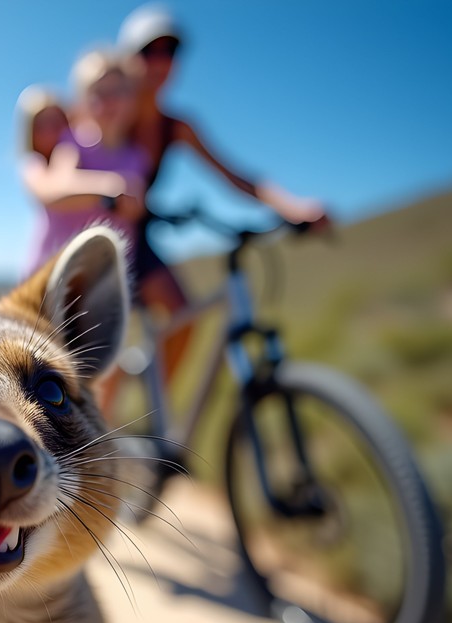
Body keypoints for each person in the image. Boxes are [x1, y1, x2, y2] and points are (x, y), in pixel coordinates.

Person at [113, 4, 330, 389]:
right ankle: (107, 412)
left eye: (171, 52)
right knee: (99, 343)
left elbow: (238, 177)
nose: (160, 62)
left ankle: (154, 410)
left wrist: (293, 207)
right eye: (150, 51)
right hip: (101, 235)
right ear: (128, 59)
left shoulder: (176, 126)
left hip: (139, 238)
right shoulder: (109, 114)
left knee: (184, 316)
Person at [16, 67, 146, 278]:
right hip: (48, 274)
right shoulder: (46, 159)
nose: (52, 132)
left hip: (100, 276)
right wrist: (111, 186)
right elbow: (51, 191)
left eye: (57, 122)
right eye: (41, 125)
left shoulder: (135, 155)